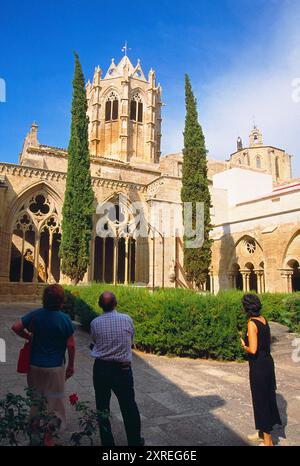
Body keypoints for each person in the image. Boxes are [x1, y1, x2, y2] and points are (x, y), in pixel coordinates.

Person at [12, 284, 75, 446]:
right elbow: (71, 345)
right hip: (55, 368)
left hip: (35, 366)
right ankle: (49, 438)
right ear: (61, 301)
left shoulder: (36, 315)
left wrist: (29, 337)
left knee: (36, 399)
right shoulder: (64, 318)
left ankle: (34, 434)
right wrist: (71, 365)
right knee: (53, 402)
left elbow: (15, 327)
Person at [90, 291, 144, 446]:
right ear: (116, 304)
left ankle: (107, 443)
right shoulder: (126, 319)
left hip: (101, 369)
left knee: (102, 407)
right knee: (129, 407)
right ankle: (134, 442)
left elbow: (94, 341)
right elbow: (130, 339)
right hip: (123, 370)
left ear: (100, 305)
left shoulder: (95, 323)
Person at [240, 294, 282, 446]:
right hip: (268, 363)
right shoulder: (264, 320)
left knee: (261, 400)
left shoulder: (251, 323)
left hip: (258, 365)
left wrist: (243, 345)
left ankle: (268, 441)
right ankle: (261, 433)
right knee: (266, 397)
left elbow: (253, 348)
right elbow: (268, 341)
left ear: (246, 307)